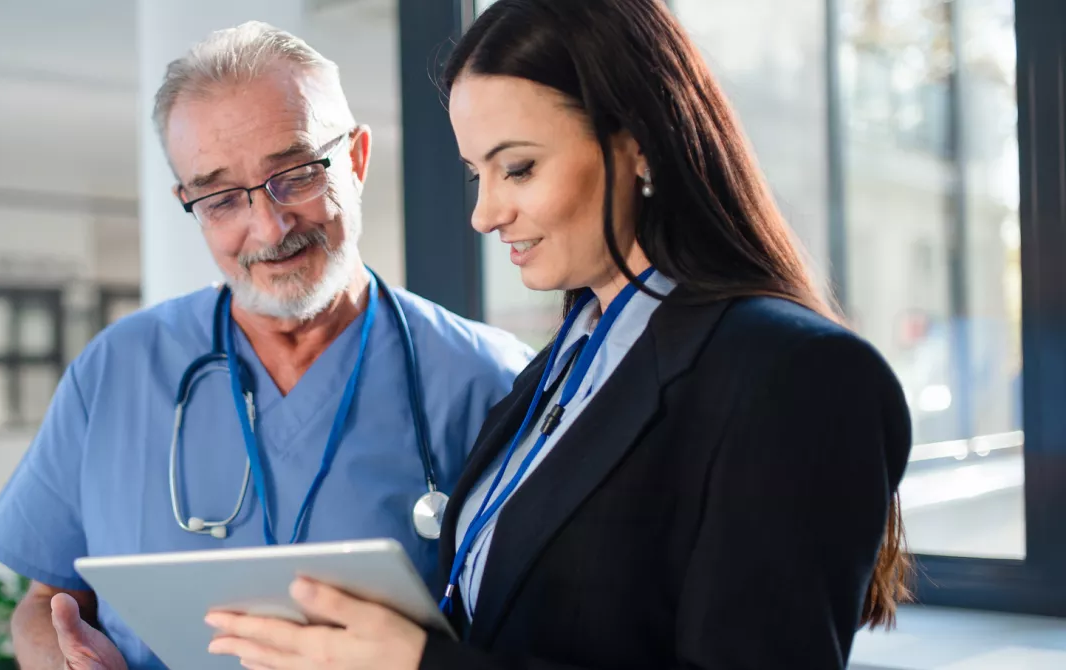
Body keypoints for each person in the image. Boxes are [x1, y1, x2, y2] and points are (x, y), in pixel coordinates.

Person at [204, 1, 915, 668]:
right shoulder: (562, 369)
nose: (484, 214)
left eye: (518, 168)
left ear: (639, 145)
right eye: (476, 174)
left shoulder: (794, 376)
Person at [0, 21, 534, 670]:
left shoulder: (487, 381)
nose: (267, 227)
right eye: (220, 199)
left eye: (294, 175)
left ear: (354, 159)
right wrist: (56, 656)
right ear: (189, 202)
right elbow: (46, 599)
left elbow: (537, 626)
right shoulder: (113, 374)